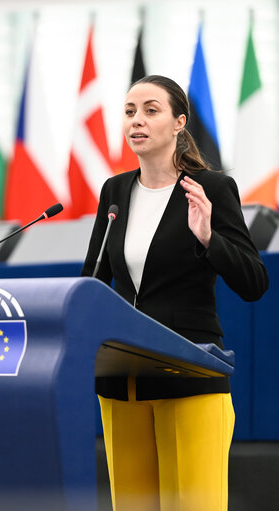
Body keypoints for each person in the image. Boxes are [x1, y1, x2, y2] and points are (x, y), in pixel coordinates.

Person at [81, 75, 269, 511]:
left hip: (189, 378)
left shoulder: (212, 189)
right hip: (122, 383)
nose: (136, 121)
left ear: (179, 122)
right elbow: (91, 284)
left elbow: (254, 283)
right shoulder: (114, 192)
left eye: (150, 110)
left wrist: (208, 238)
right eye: (129, 111)